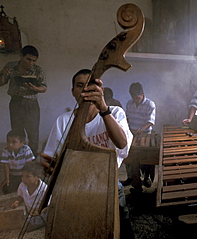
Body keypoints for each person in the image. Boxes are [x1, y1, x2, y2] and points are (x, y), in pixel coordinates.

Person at [40, 69, 134, 238]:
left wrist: (103, 109)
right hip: (76, 188)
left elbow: (122, 144)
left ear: (100, 90)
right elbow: (52, 159)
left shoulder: (115, 112)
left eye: (90, 85)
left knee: (122, 228)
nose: (85, 90)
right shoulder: (63, 121)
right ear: (73, 92)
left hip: (108, 185)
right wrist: (49, 167)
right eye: (79, 86)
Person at [0, 45, 47, 157]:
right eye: (28, 59)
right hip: (15, 102)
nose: (31, 63)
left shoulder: (38, 70)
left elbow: (44, 88)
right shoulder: (11, 66)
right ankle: (18, 157)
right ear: (21, 56)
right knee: (17, 132)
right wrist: (3, 74)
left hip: (31, 104)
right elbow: (0, 82)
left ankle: (32, 158)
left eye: (34, 61)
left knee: (33, 133)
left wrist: (35, 89)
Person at [124, 82, 156, 194]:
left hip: (145, 135)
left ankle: (147, 177)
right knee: (131, 157)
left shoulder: (150, 104)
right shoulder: (129, 103)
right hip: (132, 134)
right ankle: (135, 182)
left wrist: (142, 128)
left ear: (143, 94)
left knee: (146, 158)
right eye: (133, 98)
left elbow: (150, 121)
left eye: (138, 97)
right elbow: (127, 118)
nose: (136, 100)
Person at [12, 161, 49, 232]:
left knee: (26, 225)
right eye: (22, 176)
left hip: (41, 214)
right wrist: (17, 202)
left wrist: (39, 212)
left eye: (27, 176)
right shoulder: (22, 186)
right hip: (29, 213)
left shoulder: (44, 189)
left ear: (38, 177)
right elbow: (21, 196)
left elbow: (49, 205)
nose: (24, 179)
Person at [0, 129, 35, 194]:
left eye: (14, 142)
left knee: (30, 187)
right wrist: (7, 179)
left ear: (22, 143)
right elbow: (6, 165)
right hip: (13, 176)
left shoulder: (26, 149)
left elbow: (29, 165)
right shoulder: (6, 150)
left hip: (23, 175)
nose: (10, 144)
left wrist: (27, 178)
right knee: (6, 189)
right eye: (8, 141)